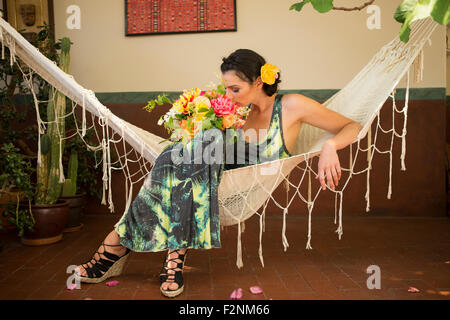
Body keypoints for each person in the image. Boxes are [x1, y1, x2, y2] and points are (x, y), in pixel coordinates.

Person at [74, 49, 363, 298]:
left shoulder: (292, 106)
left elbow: (353, 126)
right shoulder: (233, 111)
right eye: (225, 88)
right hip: (208, 177)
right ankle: (173, 259)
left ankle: (117, 244)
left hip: (241, 182)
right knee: (187, 149)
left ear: (259, 82)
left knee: (188, 159)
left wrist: (330, 147)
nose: (227, 95)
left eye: (234, 89)